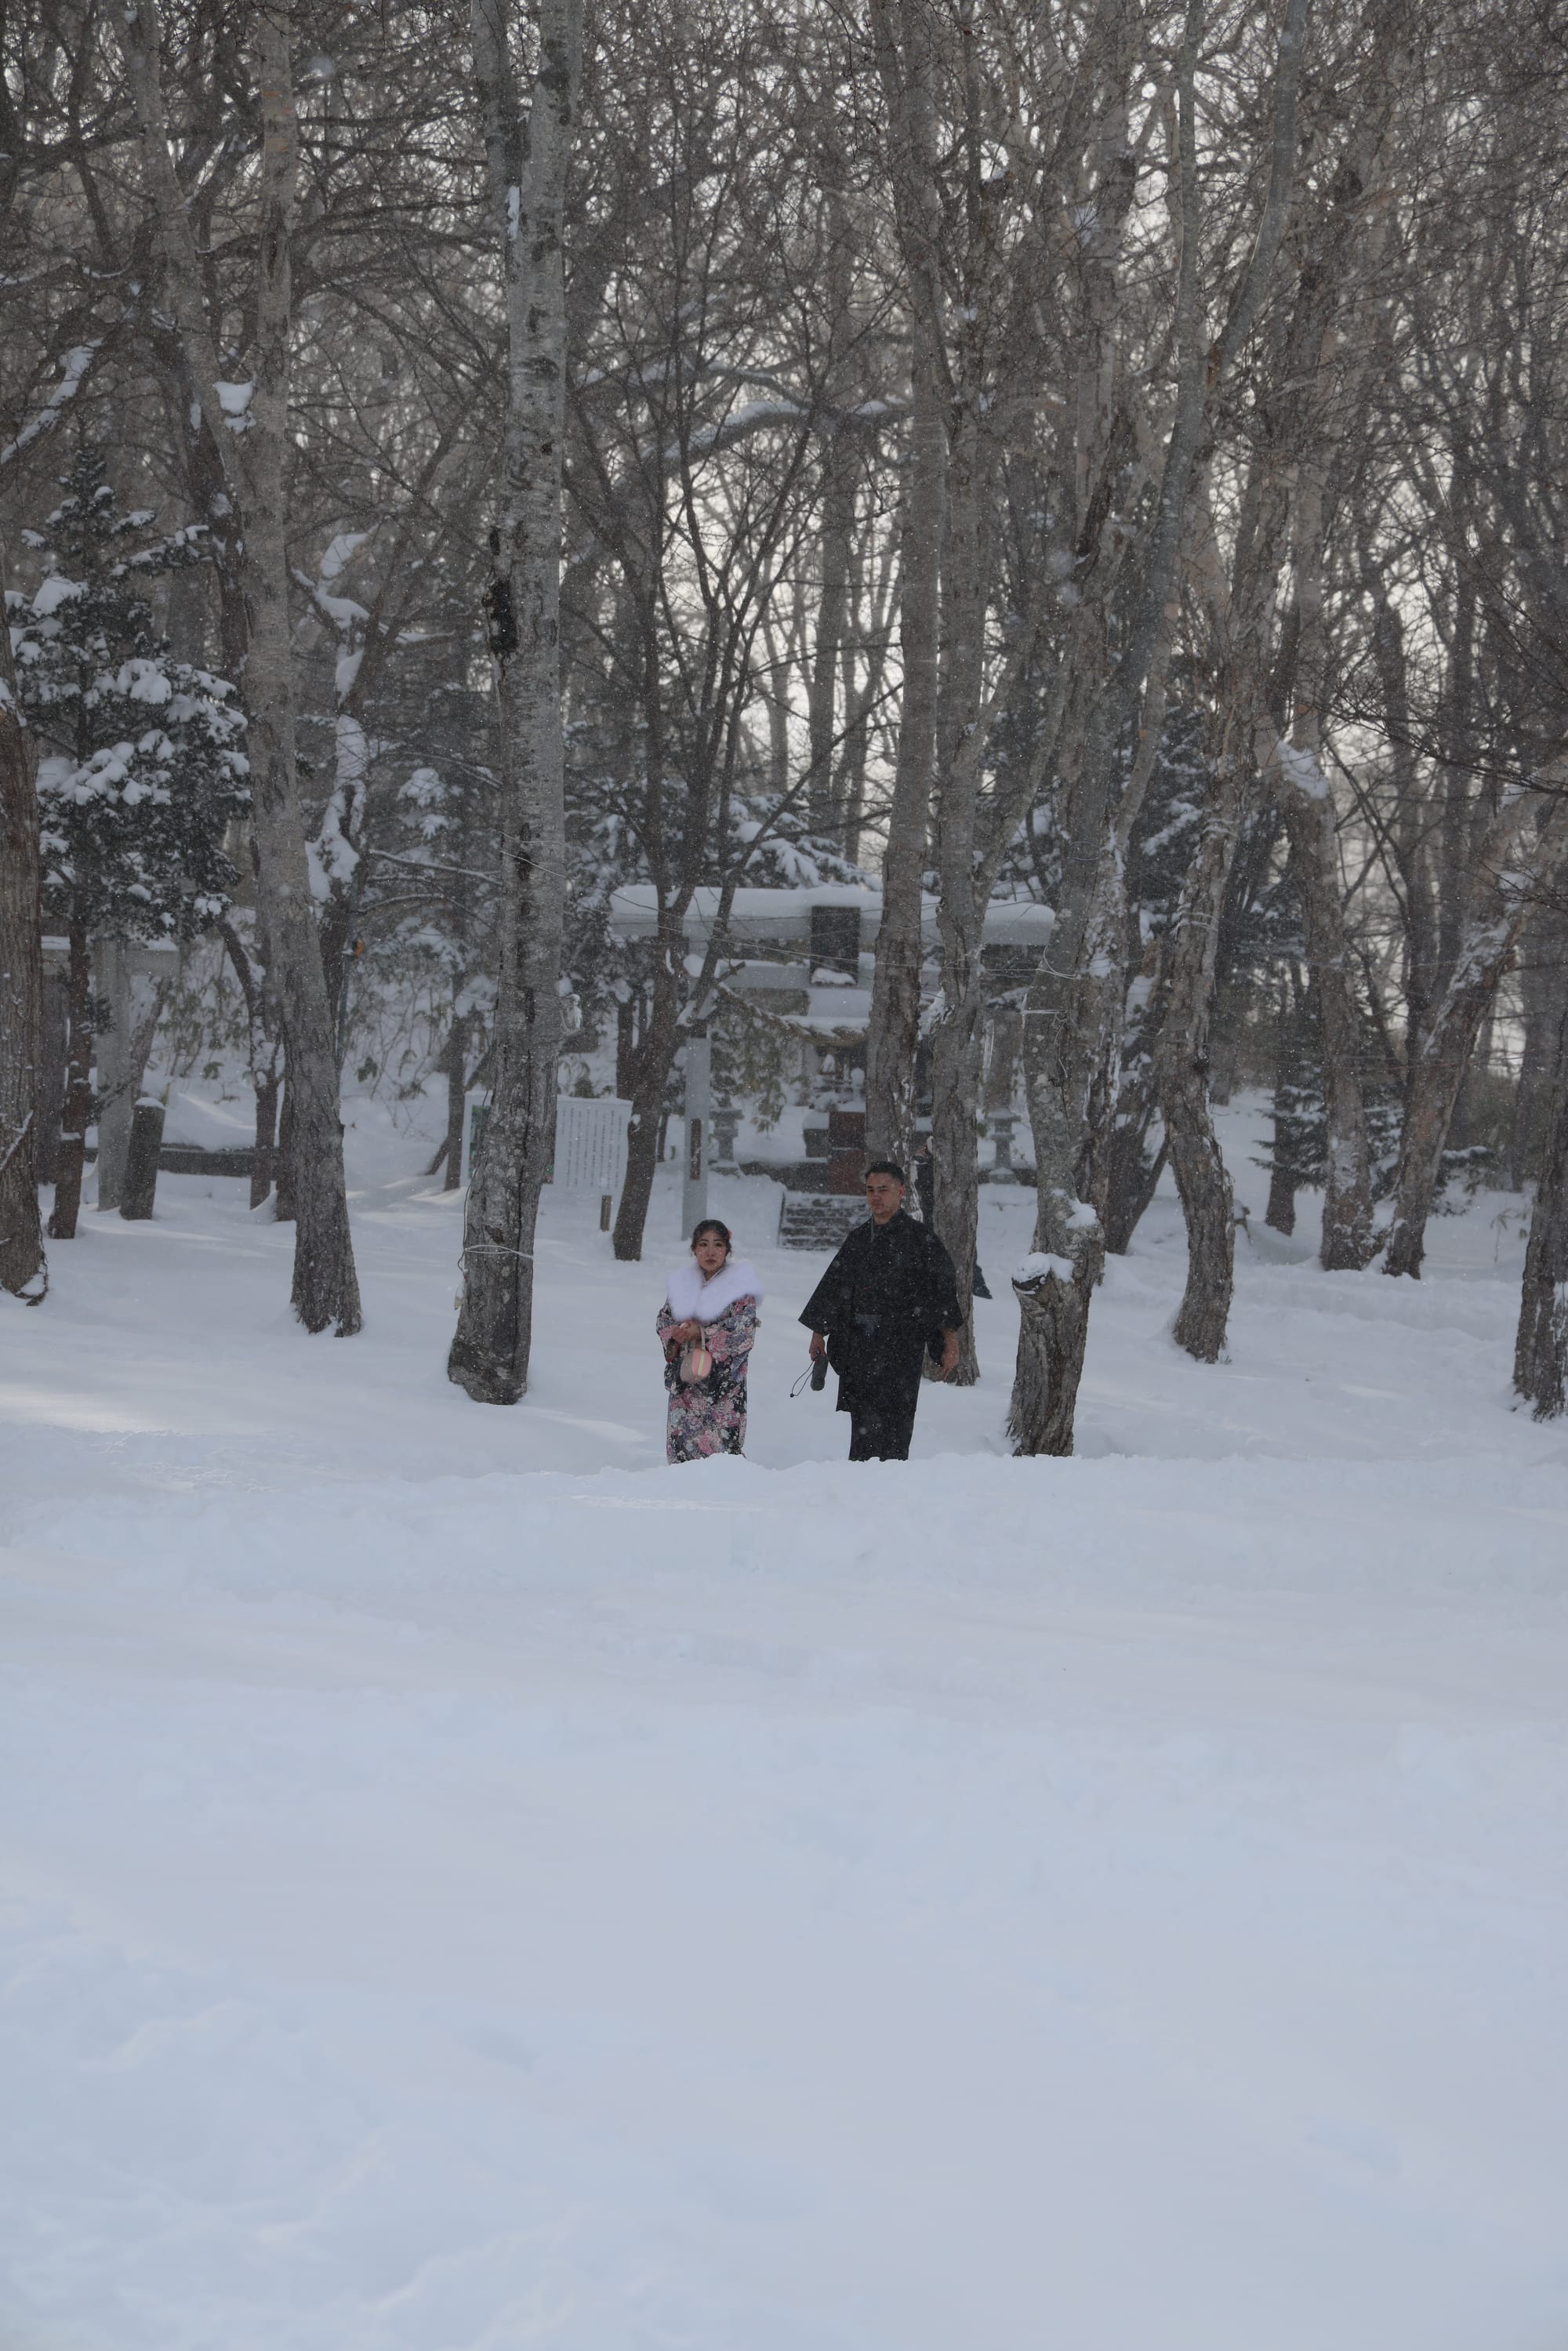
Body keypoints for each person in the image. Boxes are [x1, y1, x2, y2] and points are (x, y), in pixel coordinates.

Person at [800, 1160, 962, 1461]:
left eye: (883, 1190)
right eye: (870, 1190)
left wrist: (949, 1341)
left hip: (901, 1346)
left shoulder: (921, 1240)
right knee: (862, 1426)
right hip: (861, 1345)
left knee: (896, 1426)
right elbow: (834, 1287)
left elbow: (941, 1293)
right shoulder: (858, 1240)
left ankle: (893, 1480)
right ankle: (861, 1478)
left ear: (901, 1192)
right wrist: (818, 1333)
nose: (875, 1197)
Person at [656, 1219, 761, 1464]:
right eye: (704, 1245)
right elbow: (664, 1320)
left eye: (718, 1245)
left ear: (727, 1249)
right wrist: (677, 1334)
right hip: (687, 1379)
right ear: (694, 1249)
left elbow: (743, 1331)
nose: (711, 1252)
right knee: (683, 1449)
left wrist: (702, 1333)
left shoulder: (740, 1290)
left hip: (723, 1384)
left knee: (722, 1455)